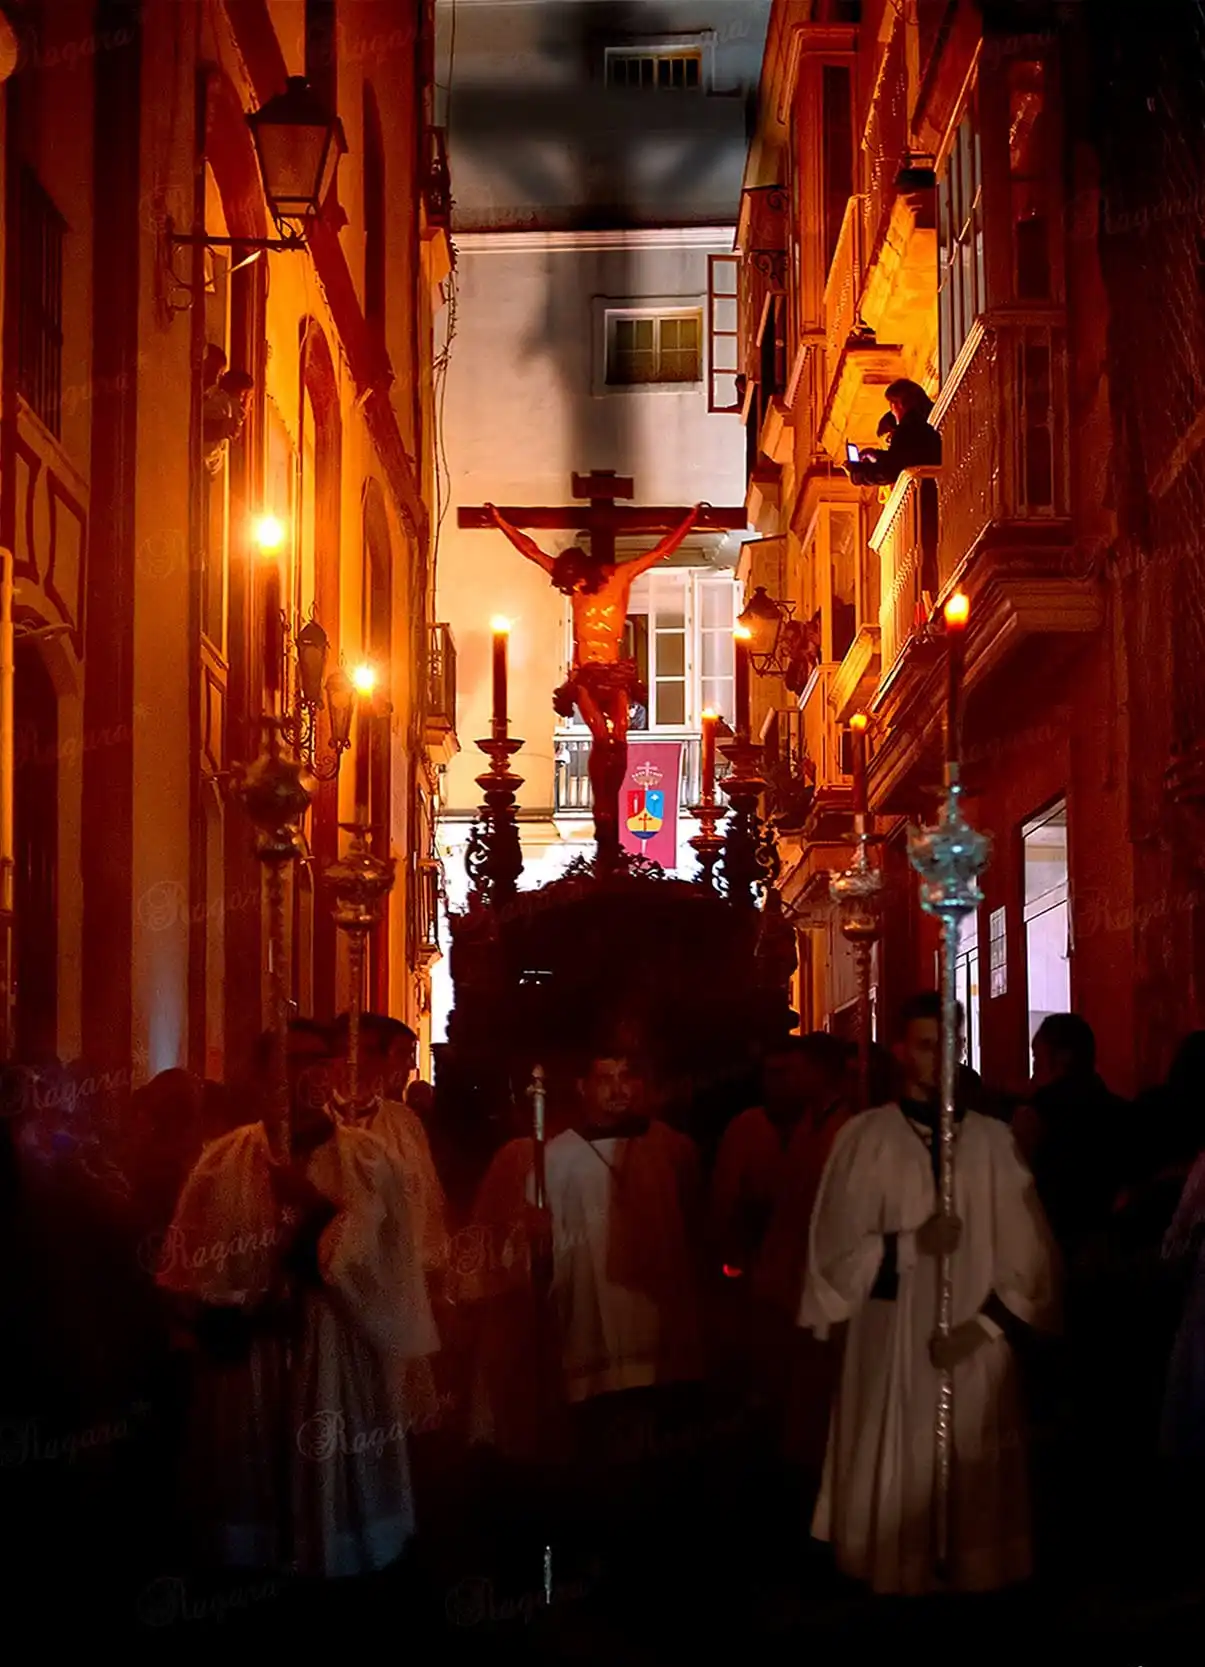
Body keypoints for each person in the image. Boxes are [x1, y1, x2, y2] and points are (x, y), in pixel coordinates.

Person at [157, 1019, 438, 1579]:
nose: (306, 1074)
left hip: (336, 1354)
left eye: (317, 1060)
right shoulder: (221, 1162)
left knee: (333, 1497)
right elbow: (189, 1267)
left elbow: (385, 1267)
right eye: (289, 1060)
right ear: (261, 1074)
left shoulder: (367, 1161)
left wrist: (313, 1213)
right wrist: (226, 1312)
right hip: (254, 1363)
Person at [800, 991, 1058, 1595]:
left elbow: (1032, 1263)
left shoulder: (994, 1143)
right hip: (891, 1348)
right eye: (924, 1044)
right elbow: (833, 1260)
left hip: (971, 1353)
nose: (939, 1055)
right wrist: (908, 1245)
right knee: (901, 1501)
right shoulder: (864, 1142)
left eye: (949, 1041)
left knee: (970, 1509)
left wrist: (982, 1329)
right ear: (899, 1052)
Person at [465, 1049, 705, 1471]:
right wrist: (531, 1234)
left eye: (626, 1077)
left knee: (661, 1447)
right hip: (591, 1322)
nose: (617, 1089)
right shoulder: (555, 1158)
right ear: (581, 1086)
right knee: (601, 1445)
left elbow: (693, 1222)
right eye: (604, 1078)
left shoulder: (668, 1146)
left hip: (659, 1318)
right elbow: (518, 1253)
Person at [484, 501, 703, 853]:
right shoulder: (573, 582)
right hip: (585, 673)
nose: (571, 592)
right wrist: (501, 522)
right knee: (601, 738)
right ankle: (600, 802)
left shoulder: (620, 576)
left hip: (614, 672)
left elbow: (662, 550)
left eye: (573, 585)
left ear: (581, 571)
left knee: (621, 737)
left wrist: (689, 521)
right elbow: (531, 550)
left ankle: (612, 798)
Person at [846, 379, 941, 487]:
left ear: (900, 404)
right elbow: (901, 459)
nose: (891, 411)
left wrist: (857, 474)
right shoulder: (926, 430)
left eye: (892, 404)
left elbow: (889, 472)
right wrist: (877, 455)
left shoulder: (907, 431)